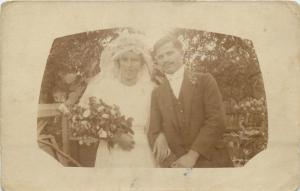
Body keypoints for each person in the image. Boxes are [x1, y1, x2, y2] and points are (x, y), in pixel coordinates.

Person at [148, 35, 233, 168]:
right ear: (157, 61)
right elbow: (153, 131)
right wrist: (172, 162)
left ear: (181, 53)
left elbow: (217, 121)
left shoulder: (205, 81)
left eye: (169, 53)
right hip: (176, 166)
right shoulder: (157, 93)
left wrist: (192, 156)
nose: (166, 59)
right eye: (161, 56)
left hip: (211, 161)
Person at [79, 33, 155, 167]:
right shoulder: (104, 87)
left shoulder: (151, 89)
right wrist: (115, 137)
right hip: (111, 149)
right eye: (125, 59)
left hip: (141, 149)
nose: (129, 65)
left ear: (142, 63)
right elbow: (87, 119)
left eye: (134, 60)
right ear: (117, 62)